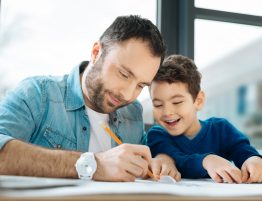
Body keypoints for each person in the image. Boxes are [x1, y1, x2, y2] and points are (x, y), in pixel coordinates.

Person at [0, 15, 180, 182]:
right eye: (124, 74)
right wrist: (94, 165)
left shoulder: (132, 112)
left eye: (141, 85)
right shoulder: (38, 94)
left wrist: (161, 161)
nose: (127, 95)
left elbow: (146, 161)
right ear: (96, 53)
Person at [147, 54, 262, 183]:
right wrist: (207, 160)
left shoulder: (221, 129)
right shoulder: (157, 135)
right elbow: (177, 159)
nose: (167, 112)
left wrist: (253, 159)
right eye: (158, 105)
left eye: (177, 102)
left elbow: (242, 149)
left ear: (199, 101)